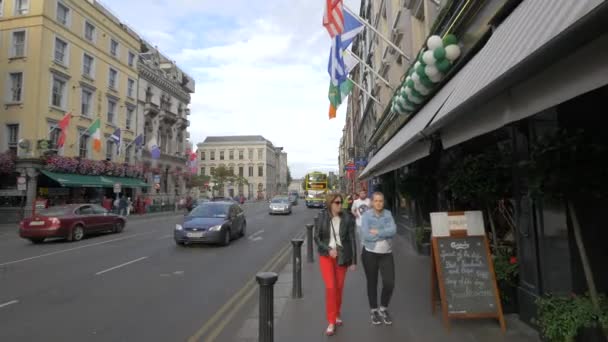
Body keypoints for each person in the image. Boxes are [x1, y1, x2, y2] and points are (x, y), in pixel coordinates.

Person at [314, 193, 357, 336]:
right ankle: (331, 321)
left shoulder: (347, 218)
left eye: (341, 202)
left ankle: (337, 313)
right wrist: (328, 249)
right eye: (337, 203)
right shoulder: (322, 217)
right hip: (326, 257)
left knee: (338, 288)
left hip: (342, 256)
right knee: (331, 287)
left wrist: (353, 261)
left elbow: (352, 239)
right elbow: (317, 237)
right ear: (330, 204)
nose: (340, 205)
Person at [360, 192, 397, 326]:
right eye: (376, 201)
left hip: (386, 253)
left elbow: (393, 230)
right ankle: (374, 310)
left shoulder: (388, 214)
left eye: (381, 201)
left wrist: (378, 232)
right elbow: (366, 236)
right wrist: (385, 233)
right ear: (372, 202)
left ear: (383, 202)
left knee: (389, 282)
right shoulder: (366, 216)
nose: (378, 203)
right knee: (372, 282)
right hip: (370, 253)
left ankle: (383, 308)